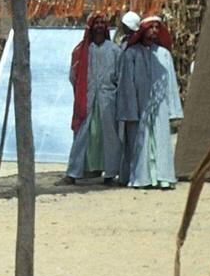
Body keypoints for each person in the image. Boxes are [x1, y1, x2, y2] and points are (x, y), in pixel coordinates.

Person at [116, 14, 181, 189]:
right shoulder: (131, 54)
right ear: (143, 31)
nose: (153, 31)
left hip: (159, 107)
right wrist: (130, 109)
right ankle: (141, 178)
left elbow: (170, 84)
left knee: (161, 140)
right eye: (150, 28)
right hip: (139, 106)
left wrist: (173, 110)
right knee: (139, 142)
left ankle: (163, 177)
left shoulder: (164, 55)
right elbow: (127, 84)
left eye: (156, 28)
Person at [62, 12, 121, 185]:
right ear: (91, 27)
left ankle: (110, 173)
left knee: (110, 135)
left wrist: (111, 91)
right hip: (86, 99)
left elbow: (120, 76)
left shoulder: (115, 50)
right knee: (82, 133)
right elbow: (73, 76)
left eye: (103, 23)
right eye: (97, 23)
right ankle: (73, 173)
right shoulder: (81, 51)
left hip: (108, 99)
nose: (100, 26)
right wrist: (82, 90)